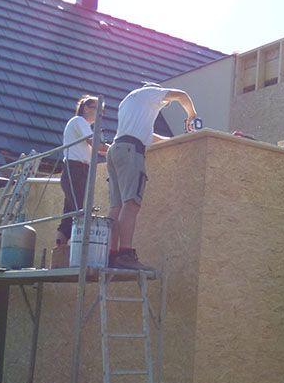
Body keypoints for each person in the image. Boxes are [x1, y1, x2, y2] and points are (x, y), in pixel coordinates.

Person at [106, 83, 197, 269]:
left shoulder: (129, 102)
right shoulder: (150, 92)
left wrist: (175, 141)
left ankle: (111, 254)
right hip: (131, 151)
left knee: (116, 207)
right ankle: (125, 254)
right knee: (131, 204)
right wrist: (191, 116)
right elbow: (182, 95)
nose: (164, 104)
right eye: (164, 102)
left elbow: (148, 135)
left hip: (116, 149)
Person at [56, 95, 107, 250]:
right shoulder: (79, 121)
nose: (101, 114)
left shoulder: (83, 126)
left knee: (70, 214)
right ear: (86, 108)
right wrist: (116, 149)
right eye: (98, 109)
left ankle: (61, 252)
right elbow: (96, 144)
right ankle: (75, 251)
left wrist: (108, 149)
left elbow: (98, 148)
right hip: (75, 170)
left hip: (78, 170)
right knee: (78, 212)